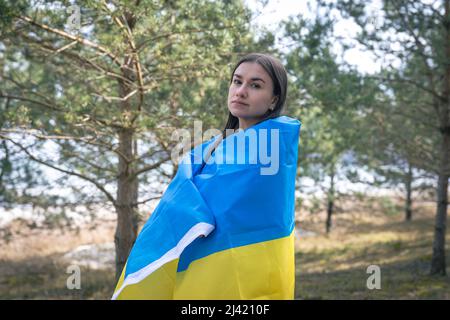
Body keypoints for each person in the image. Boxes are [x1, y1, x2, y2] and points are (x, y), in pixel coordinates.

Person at [112, 53, 301, 300]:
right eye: (237, 81)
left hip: (252, 271)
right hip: (204, 269)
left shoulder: (274, 145)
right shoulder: (210, 151)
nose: (241, 91)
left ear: (274, 100)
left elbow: (226, 198)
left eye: (255, 85)